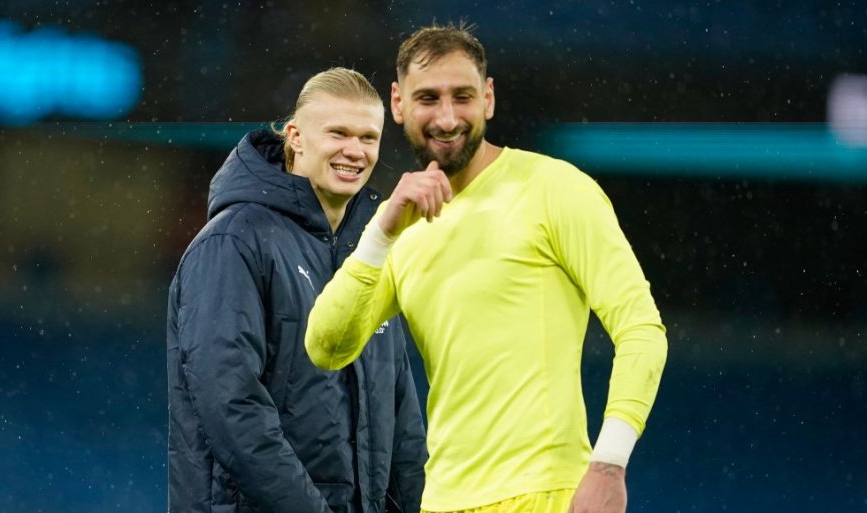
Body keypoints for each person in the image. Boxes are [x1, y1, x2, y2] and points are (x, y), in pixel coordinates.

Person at [305, 25, 668, 513]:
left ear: (488, 98)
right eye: (428, 98)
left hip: (545, 494)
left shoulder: (555, 188)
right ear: (398, 103)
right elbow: (326, 347)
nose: (447, 117)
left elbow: (641, 329)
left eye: (463, 97)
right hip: (441, 501)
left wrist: (608, 464)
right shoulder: (399, 224)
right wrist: (380, 233)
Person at [166, 67, 427, 513]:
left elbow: (401, 420)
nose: (355, 151)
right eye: (338, 133)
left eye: (368, 137)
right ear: (296, 137)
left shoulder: (370, 254)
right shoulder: (233, 241)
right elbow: (230, 404)